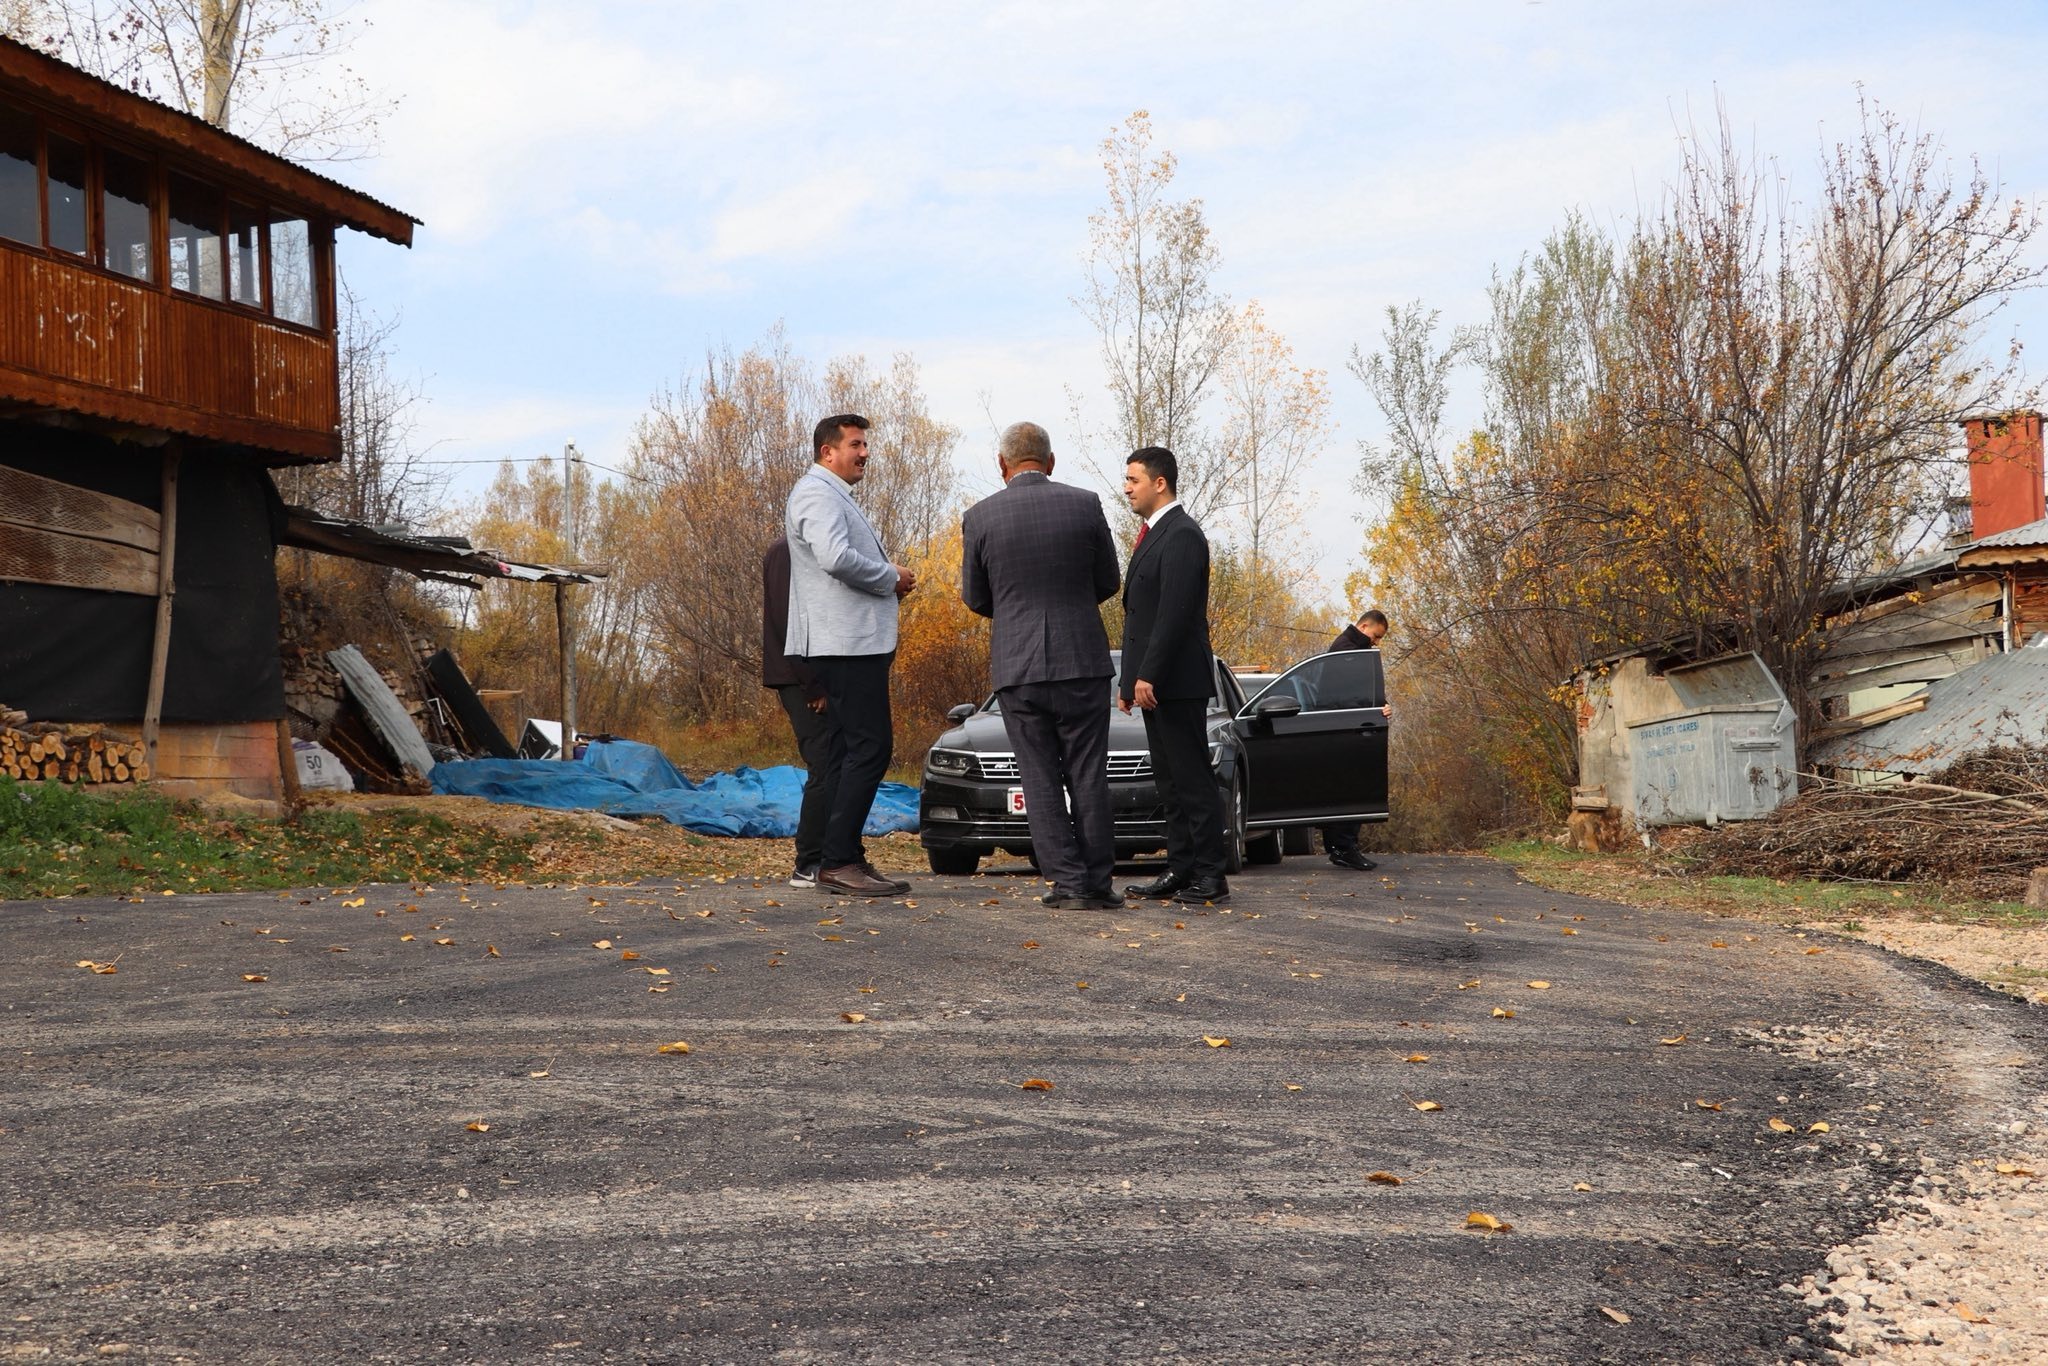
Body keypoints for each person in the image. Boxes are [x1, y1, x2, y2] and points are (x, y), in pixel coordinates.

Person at [960, 422, 1122, 909]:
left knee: (1039, 777)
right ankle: (1097, 882)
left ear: (1002, 464)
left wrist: (1014, 615)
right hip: (1082, 660)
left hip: (1018, 664)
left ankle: (1067, 884)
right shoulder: (1085, 503)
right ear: (1050, 462)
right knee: (1089, 772)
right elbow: (1109, 580)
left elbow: (975, 596)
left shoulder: (979, 516)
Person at [784, 414, 917, 897]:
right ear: (828, 452)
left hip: (849, 645)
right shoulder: (817, 493)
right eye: (856, 445)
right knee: (871, 747)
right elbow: (836, 558)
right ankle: (837, 860)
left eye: (865, 445)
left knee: (843, 753)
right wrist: (890, 576)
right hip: (844, 647)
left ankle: (843, 856)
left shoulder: (830, 493)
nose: (865, 453)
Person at [1116, 446, 1229, 906]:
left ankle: (1210, 877)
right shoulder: (1151, 535)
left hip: (1176, 681)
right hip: (1154, 684)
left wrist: (1149, 676)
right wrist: (1128, 683)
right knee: (1169, 782)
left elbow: (1174, 615)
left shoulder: (1182, 534)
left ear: (1159, 483)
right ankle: (1181, 869)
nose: (1126, 488)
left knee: (1192, 779)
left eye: (1133, 480)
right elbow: (1137, 616)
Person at [762, 536, 837, 888]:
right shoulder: (786, 552)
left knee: (836, 761)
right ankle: (809, 863)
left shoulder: (811, 550)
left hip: (814, 676)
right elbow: (787, 617)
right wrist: (813, 684)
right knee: (823, 763)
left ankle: (833, 856)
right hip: (802, 678)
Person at [1320, 608, 1388, 871]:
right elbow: (1345, 694)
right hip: (1344, 729)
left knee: (1348, 788)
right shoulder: (1346, 652)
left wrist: (1381, 706)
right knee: (1350, 789)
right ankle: (1344, 848)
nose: (1376, 641)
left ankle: (1344, 847)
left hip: (1347, 727)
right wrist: (1370, 710)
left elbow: (1361, 692)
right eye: (1376, 635)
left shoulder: (1353, 650)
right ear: (1363, 627)